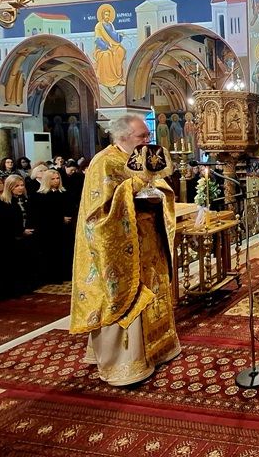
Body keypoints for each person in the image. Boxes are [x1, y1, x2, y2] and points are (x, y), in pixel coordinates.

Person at [70, 114, 180, 386]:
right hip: (121, 247)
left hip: (148, 242)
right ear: (122, 137)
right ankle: (126, 364)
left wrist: (155, 192)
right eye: (142, 136)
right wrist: (134, 186)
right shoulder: (104, 162)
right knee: (125, 297)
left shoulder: (139, 159)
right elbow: (98, 213)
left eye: (147, 135)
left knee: (153, 293)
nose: (148, 140)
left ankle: (157, 350)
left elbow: (161, 187)